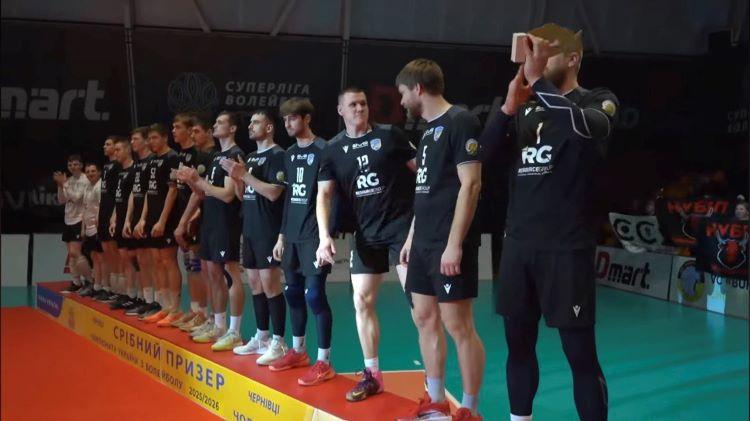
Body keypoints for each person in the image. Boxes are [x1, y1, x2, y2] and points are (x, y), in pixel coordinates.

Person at [481, 24, 618, 421]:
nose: (535, 60)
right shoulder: (525, 107)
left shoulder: (596, 100)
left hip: (566, 249)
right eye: (532, 53)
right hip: (519, 246)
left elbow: (584, 128)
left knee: (580, 356)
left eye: (546, 52)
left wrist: (538, 81)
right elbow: (483, 154)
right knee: (518, 347)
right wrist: (508, 107)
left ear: (573, 58)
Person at [395, 59, 486, 421]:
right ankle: (435, 401)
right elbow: (426, 190)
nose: (401, 101)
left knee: (458, 326)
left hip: (449, 243)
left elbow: (471, 185)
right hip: (422, 242)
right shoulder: (428, 132)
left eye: (403, 93)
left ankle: (469, 409)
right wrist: (411, 237)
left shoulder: (461, 121)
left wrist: (454, 244)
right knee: (423, 317)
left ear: (418, 88)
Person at [316, 87, 416, 401]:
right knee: (361, 300)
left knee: (420, 309)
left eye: (363, 103)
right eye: (352, 104)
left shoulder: (390, 136)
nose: (359, 108)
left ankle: (434, 382)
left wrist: (420, 222)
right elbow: (323, 195)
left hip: (400, 230)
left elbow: (423, 173)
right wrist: (324, 236)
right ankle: (372, 375)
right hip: (366, 233)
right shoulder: (332, 149)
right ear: (340, 110)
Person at [267, 98, 336, 387]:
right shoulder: (290, 154)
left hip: (314, 236)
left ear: (307, 119)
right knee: (292, 293)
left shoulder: (325, 149)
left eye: (293, 118)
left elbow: (330, 197)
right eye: (284, 120)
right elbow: (287, 201)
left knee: (314, 296)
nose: (287, 124)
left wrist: (326, 237)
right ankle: (298, 351)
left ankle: (324, 362)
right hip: (292, 235)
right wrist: (281, 236)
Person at [221, 109, 289, 365]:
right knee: (254, 282)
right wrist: (238, 180)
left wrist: (244, 175)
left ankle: (279, 342)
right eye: (249, 122)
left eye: (256, 122)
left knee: (270, 284)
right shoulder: (249, 157)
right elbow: (243, 196)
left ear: (269, 127)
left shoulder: (278, 155)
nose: (250, 126)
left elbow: (273, 193)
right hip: (249, 227)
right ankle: (262, 336)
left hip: (268, 229)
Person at [176, 111, 245, 351]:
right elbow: (205, 193)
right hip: (211, 221)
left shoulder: (235, 155)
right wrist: (191, 180)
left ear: (232, 128)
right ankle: (218, 325)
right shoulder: (217, 156)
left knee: (230, 272)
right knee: (212, 272)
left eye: (220, 122)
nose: (215, 125)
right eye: (214, 122)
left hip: (227, 222)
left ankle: (234, 331)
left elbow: (227, 195)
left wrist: (200, 181)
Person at [134, 124, 181, 324]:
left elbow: (173, 190)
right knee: (157, 261)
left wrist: (162, 220)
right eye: (149, 138)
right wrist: (143, 219)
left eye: (154, 138)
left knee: (169, 260)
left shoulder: (172, 158)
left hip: (167, 218)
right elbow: (148, 192)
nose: (151, 141)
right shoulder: (153, 160)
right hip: (152, 217)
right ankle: (164, 306)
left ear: (164, 138)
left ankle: (175, 309)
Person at [123, 127, 158, 317]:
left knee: (151, 261)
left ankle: (156, 302)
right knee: (141, 260)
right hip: (137, 217)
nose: (132, 143)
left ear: (145, 141)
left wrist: (143, 219)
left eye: (135, 139)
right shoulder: (137, 165)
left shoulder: (152, 161)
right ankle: (146, 299)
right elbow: (134, 193)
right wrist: (128, 219)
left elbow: (147, 195)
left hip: (149, 217)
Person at [108, 138, 139, 310]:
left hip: (130, 220)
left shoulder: (135, 170)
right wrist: (114, 217)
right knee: (124, 258)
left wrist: (128, 219)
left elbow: (133, 198)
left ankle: (137, 296)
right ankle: (128, 294)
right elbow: (118, 198)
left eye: (118, 149)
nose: (116, 153)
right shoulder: (120, 172)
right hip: (119, 218)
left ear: (128, 150)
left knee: (133, 258)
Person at [55, 154, 91, 294]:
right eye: (70, 165)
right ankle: (76, 282)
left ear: (81, 165)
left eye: (75, 164)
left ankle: (90, 281)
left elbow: (76, 198)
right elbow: (61, 200)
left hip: (80, 219)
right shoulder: (68, 180)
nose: (72, 167)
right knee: (71, 254)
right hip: (68, 219)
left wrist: (64, 184)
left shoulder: (85, 180)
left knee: (76, 252)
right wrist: (60, 186)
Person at [95, 137, 123, 301]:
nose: (104, 146)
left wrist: (114, 214)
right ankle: (110, 287)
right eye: (104, 144)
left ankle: (120, 290)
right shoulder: (106, 166)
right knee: (106, 251)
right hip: (104, 212)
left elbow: (117, 193)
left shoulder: (118, 166)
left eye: (108, 144)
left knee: (115, 251)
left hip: (113, 211)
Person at [78, 163, 104, 297]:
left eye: (93, 171)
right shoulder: (87, 187)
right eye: (87, 171)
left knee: (100, 258)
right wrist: (83, 228)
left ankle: (103, 287)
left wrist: (99, 227)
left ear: (99, 172)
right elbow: (85, 209)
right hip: (88, 228)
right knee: (94, 257)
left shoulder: (100, 186)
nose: (90, 174)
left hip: (97, 228)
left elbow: (101, 208)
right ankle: (96, 285)